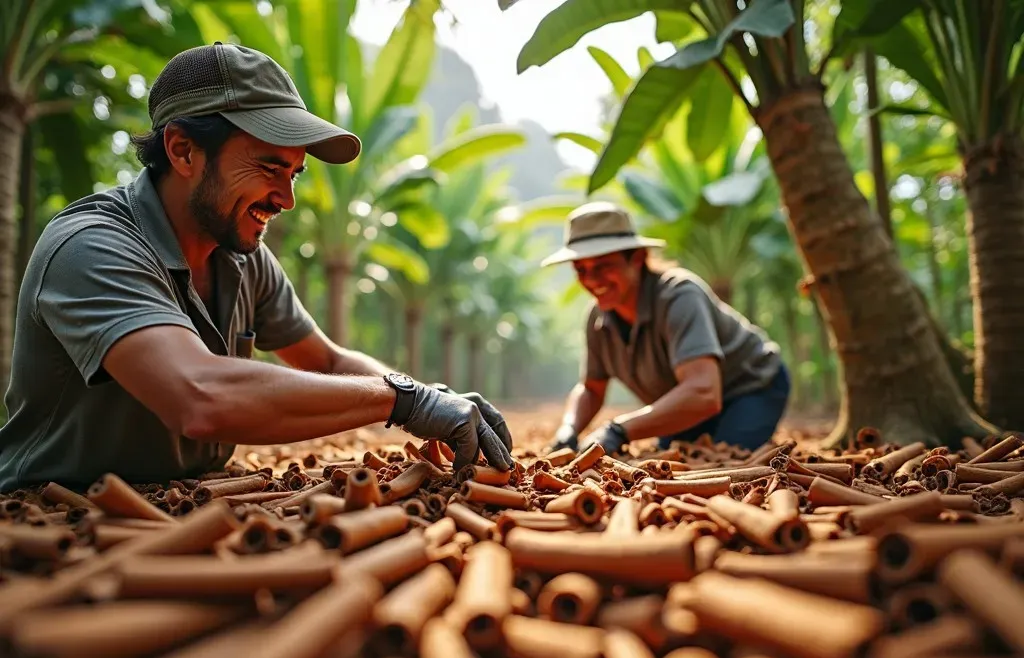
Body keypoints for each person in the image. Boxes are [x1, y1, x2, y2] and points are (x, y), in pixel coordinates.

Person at [0, 43, 512, 491]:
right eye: (269, 167)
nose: (286, 199)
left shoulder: (244, 259)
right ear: (183, 150)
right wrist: (404, 401)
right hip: (56, 513)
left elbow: (328, 363)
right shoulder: (92, 247)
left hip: (185, 503)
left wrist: (430, 398)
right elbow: (198, 396)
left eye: (294, 173)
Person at [547, 202, 789, 457]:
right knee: (673, 454)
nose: (592, 280)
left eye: (603, 266)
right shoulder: (598, 318)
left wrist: (618, 430)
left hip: (751, 386)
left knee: (724, 456)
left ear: (637, 258)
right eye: (581, 270)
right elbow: (592, 388)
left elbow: (703, 392)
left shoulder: (679, 295)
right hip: (688, 402)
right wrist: (568, 430)